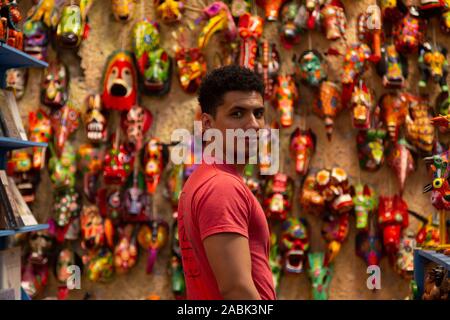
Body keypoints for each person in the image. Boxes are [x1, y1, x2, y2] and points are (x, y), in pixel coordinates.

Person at [177, 65, 276, 300]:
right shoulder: (221, 187)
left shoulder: (205, 179)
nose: (253, 125)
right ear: (208, 124)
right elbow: (236, 290)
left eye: (258, 113)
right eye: (238, 113)